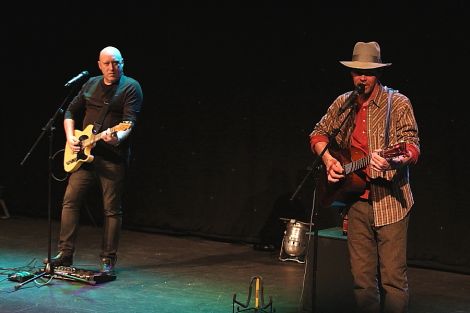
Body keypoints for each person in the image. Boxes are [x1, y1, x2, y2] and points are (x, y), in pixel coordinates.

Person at [309, 41, 420, 313]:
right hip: (356, 201)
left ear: (378, 74)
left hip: (390, 202)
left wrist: (395, 158)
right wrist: (329, 160)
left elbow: (412, 147)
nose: (362, 77)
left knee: (393, 280)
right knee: (362, 280)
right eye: (357, 71)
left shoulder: (398, 103)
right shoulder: (344, 103)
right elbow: (318, 133)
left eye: (368, 72)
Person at [48, 46, 143, 275]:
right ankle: (65, 253)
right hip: (83, 155)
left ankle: (108, 259)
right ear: (100, 65)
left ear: (123, 63)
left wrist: (114, 138)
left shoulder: (131, 87)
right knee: (70, 201)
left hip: (112, 159)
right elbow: (70, 112)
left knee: (111, 209)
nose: (112, 67)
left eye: (117, 63)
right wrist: (71, 137)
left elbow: (128, 124)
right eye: (107, 63)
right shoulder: (90, 84)